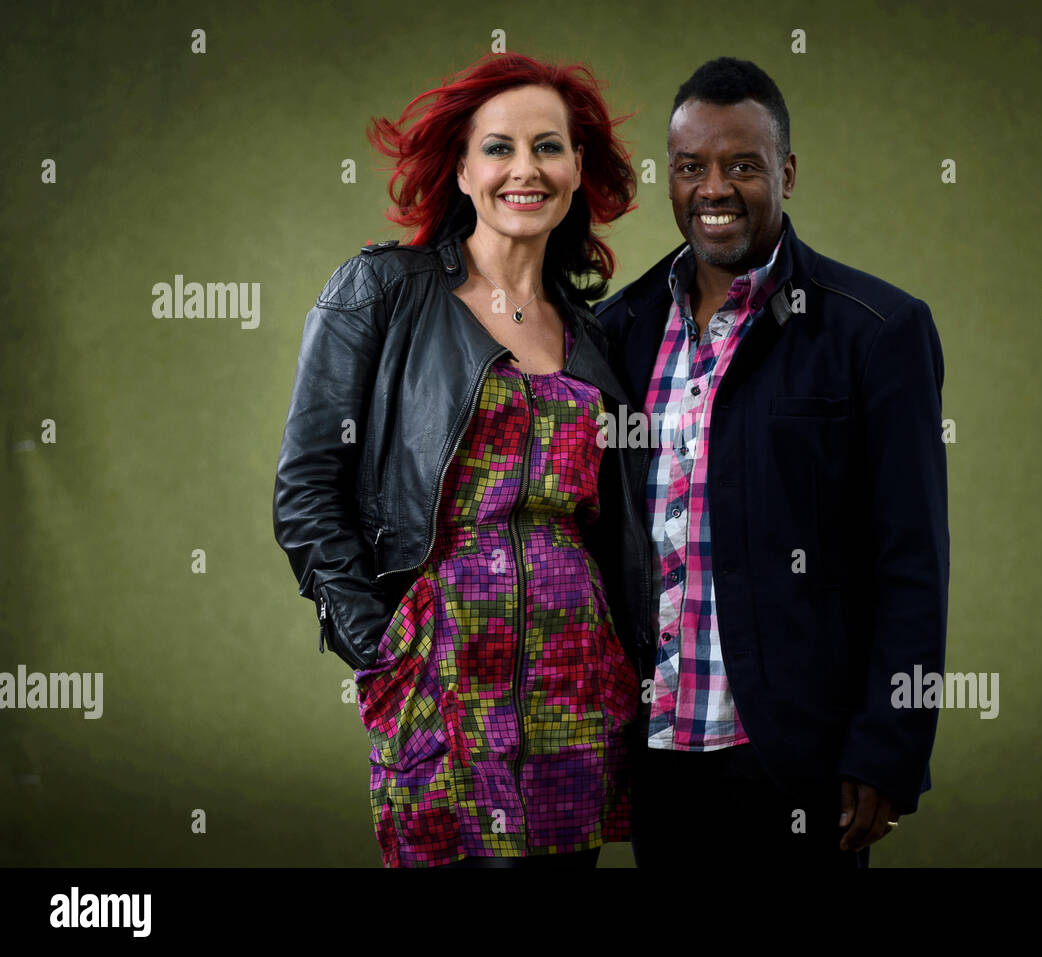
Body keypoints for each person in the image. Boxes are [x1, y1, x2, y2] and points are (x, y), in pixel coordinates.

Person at [271, 51, 653, 868]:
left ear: (579, 169)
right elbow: (306, 490)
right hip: (439, 673)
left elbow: (618, 522)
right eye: (500, 147)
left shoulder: (595, 338)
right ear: (462, 167)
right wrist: (380, 651)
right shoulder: (382, 291)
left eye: (549, 147)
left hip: (574, 678)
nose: (527, 169)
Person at [594, 57, 950, 868]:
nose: (714, 188)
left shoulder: (875, 330)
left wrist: (887, 747)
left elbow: (913, 558)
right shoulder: (620, 328)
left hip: (798, 755)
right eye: (692, 167)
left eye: (742, 165)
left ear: (785, 172)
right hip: (657, 750)